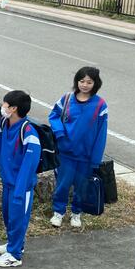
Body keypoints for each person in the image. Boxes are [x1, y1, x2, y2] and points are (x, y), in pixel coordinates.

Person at [0, 90, 41, 268]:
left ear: (14, 108)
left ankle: (14, 255)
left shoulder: (29, 133)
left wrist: (19, 191)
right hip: (8, 182)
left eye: (5, 104)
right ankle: (14, 244)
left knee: (18, 219)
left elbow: (28, 166)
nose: (3, 106)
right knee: (9, 217)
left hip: (21, 187)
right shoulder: (3, 123)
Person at [48, 66, 108, 229]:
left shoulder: (100, 105)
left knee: (82, 186)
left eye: (89, 82)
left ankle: (76, 213)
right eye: (82, 81)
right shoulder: (66, 99)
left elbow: (101, 133)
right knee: (62, 184)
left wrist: (95, 158)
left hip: (86, 156)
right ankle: (58, 212)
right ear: (77, 81)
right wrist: (60, 134)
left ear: (95, 84)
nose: (85, 85)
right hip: (65, 153)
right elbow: (54, 116)